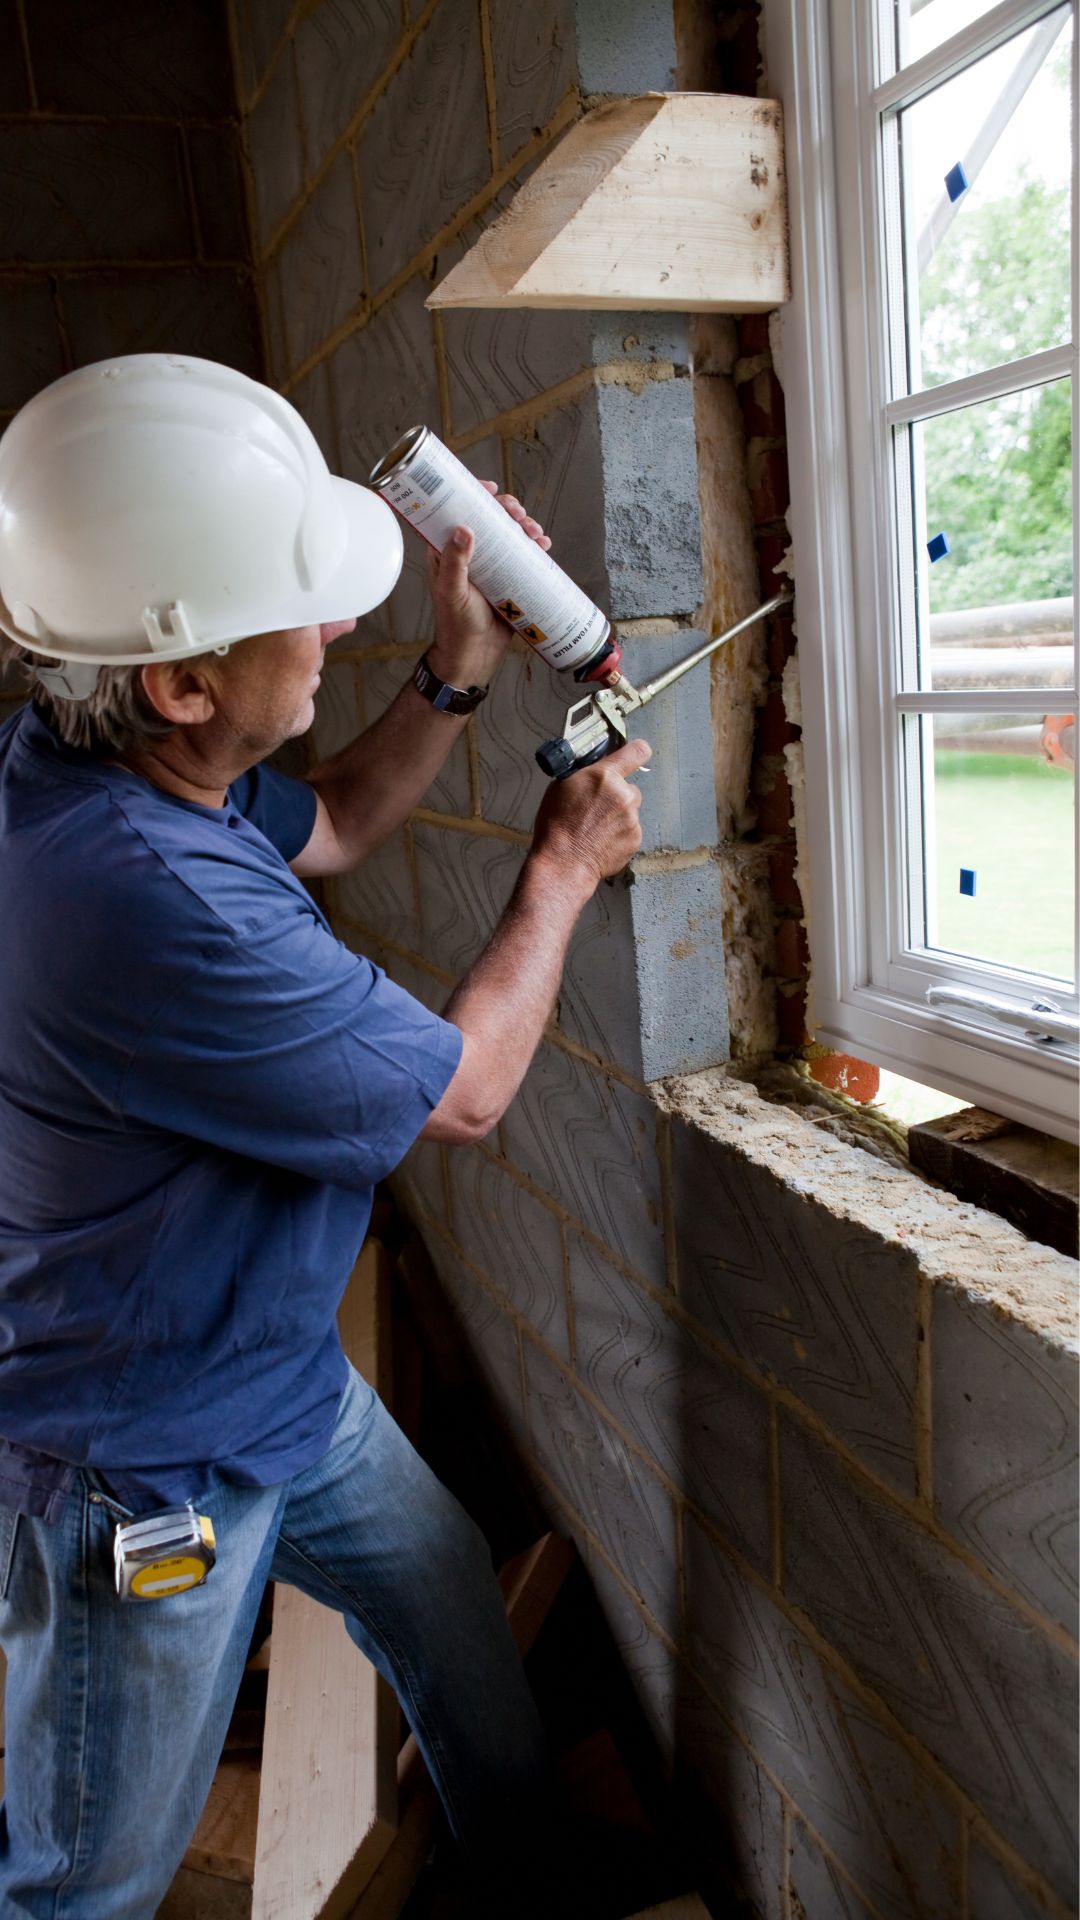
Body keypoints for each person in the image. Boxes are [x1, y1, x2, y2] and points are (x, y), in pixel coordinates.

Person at [0, 354, 651, 1918]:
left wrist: (457, 667)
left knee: (451, 1617)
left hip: (270, 1377)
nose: (339, 626)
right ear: (177, 681)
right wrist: (561, 868)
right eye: (306, 608)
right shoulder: (152, 905)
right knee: (87, 1883)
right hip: (144, 1466)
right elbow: (470, 1094)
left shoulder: (102, 775)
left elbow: (342, 820)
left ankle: (524, 1880)